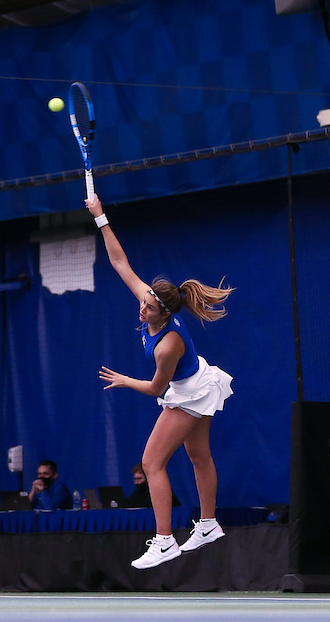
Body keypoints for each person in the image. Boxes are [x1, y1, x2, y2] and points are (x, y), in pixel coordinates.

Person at [87, 193, 234, 569]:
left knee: (151, 462)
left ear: (164, 313)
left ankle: (165, 540)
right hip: (198, 378)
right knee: (199, 455)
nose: (142, 307)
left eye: (149, 308)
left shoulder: (167, 345)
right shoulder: (150, 299)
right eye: (144, 302)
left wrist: (124, 380)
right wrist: (102, 217)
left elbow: (156, 388)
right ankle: (208, 524)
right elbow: (120, 262)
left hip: (190, 391)